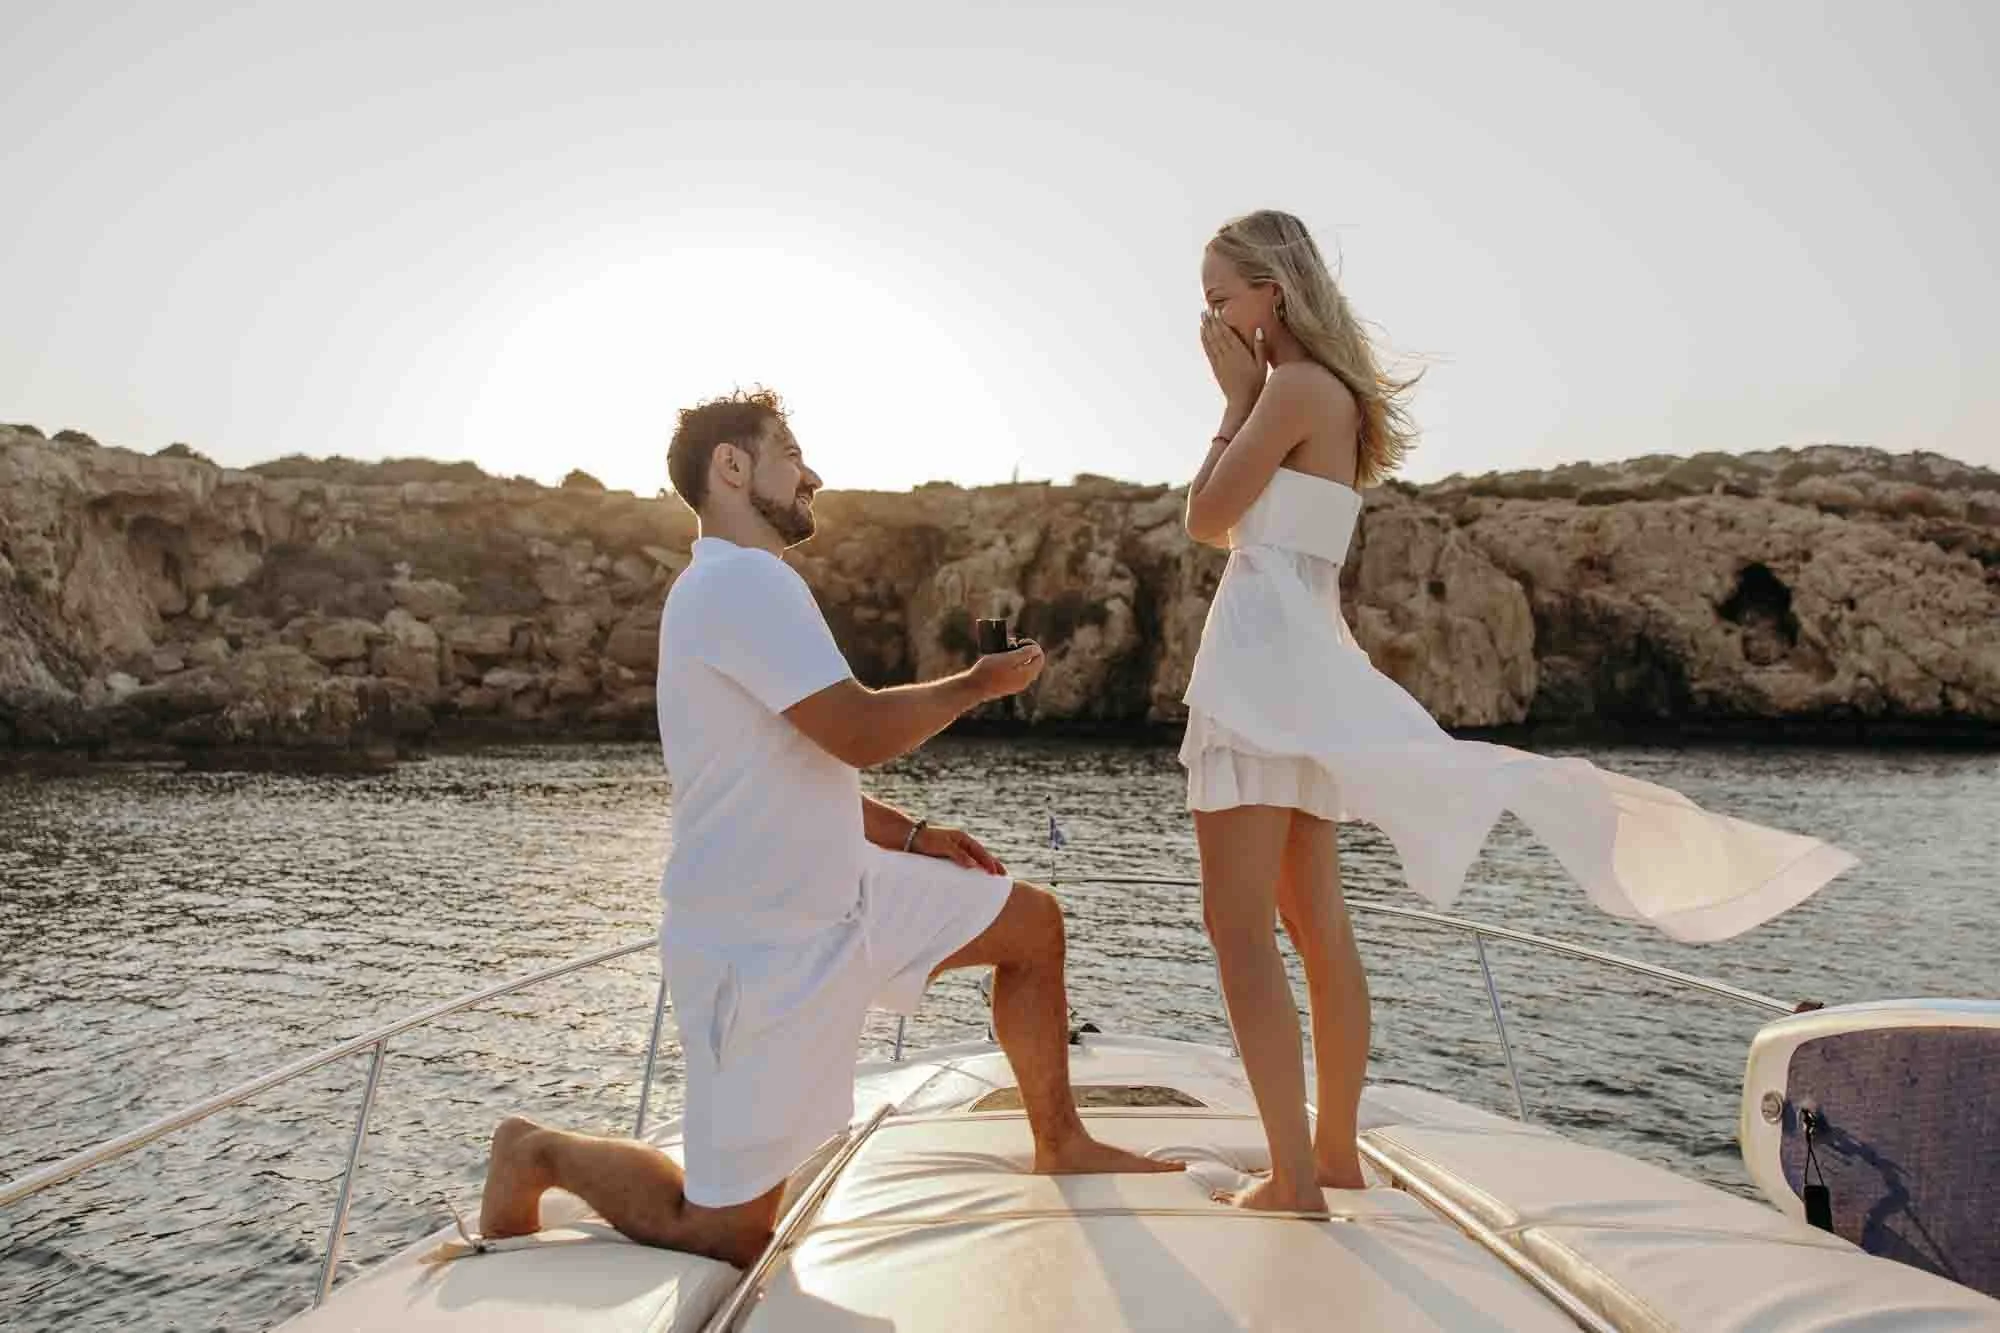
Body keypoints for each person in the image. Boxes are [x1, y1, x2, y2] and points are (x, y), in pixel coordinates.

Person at [1180, 209, 1856, 1213]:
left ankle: (1292, 1179)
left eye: (1217, 296)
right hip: (1307, 664)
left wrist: (1232, 398)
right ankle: (1327, 1154)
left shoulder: (1285, 390)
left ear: (1268, 293)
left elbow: (1205, 519)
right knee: (1313, 921)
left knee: (1240, 928)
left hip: (1258, 669)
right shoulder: (1336, 396)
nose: (1207, 317)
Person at [478, 388, 1179, 1268]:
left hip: (848, 892)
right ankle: (537, 1150)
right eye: (791, 452)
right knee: (727, 1232)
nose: (813, 474)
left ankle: (1060, 1138)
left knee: (1030, 924)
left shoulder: (747, 585)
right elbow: (856, 728)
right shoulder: (737, 582)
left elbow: (800, 759)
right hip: (760, 944)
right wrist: (976, 684)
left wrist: (912, 835)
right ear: (731, 468)